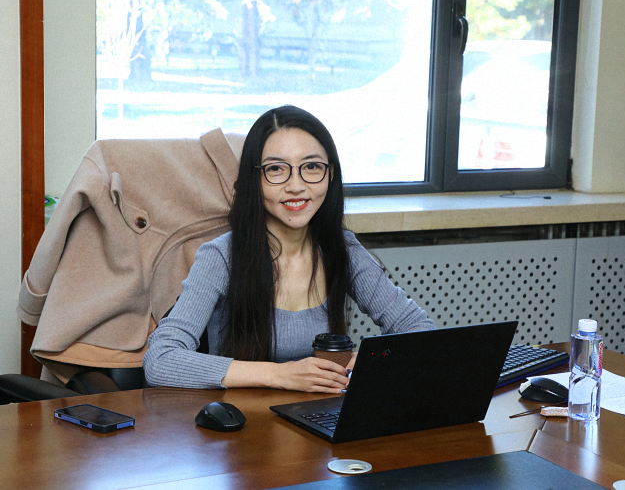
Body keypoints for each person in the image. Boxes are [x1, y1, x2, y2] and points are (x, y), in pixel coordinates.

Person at [143, 105, 435, 393]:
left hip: (316, 415)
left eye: (311, 167)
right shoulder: (221, 256)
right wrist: (280, 375)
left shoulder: (343, 249)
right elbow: (160, 360)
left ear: (331, 174)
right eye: (276, 169)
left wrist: (372, 360)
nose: (296, 186)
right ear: (253, 179)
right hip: (241, 418)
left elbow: (421, 332)